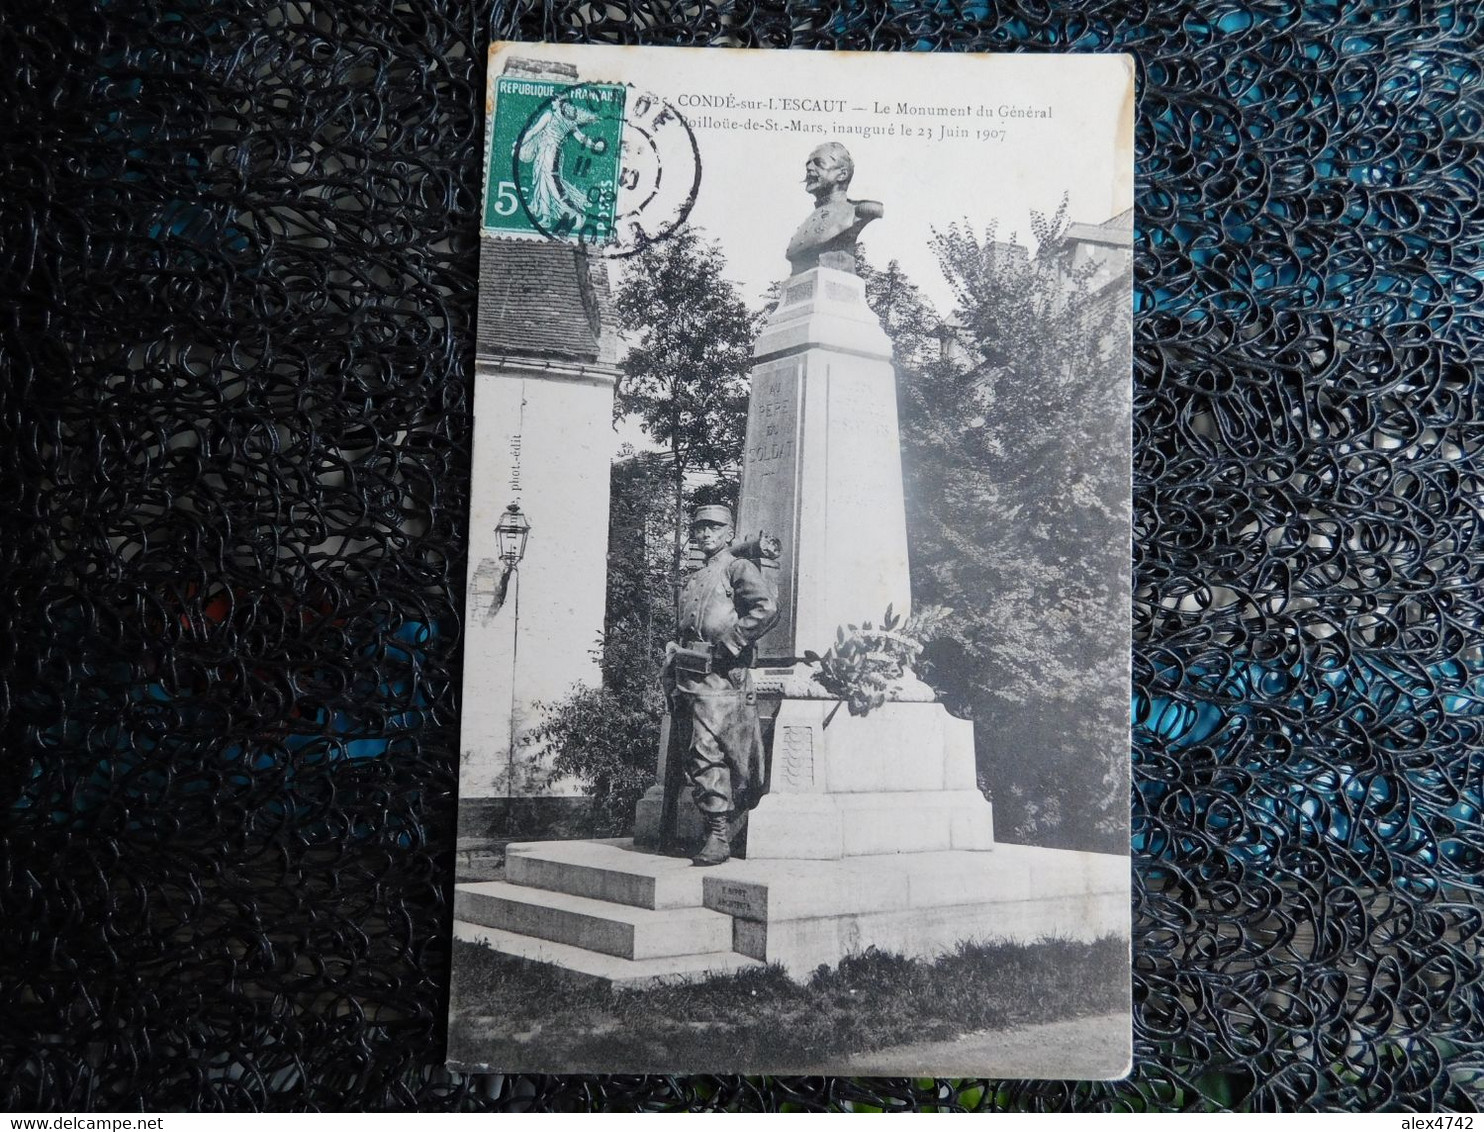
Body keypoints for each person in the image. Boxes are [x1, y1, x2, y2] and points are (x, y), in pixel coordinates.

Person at [662, 505, 779, 866]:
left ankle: (718, 834)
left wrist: (730, 644)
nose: (705, 534)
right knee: (696, 753)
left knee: (712, 751)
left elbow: (765, 607)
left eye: (714, 528)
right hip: (689, 675)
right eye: (699, 529)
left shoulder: (738, 568)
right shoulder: (696, 577)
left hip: (723, 677)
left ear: (729, 533)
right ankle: (712, 829)